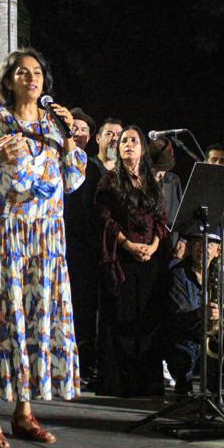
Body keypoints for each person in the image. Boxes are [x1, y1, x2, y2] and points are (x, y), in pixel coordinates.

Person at [0, 48, 85, 448]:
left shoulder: (54, 124)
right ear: (9, 80)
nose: (31, 78)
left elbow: (73, 181)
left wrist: (70, 140)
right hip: (5, 237)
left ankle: (24, 412)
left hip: (45, 240)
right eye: (22, 72)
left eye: (37, 72)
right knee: (1, 319)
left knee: (36, 322)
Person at [95, 125, 171, 397]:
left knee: (148, 318)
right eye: (124, 141)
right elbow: (104, 219)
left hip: (150, 259)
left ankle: (147, 383)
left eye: (134, 141)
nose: (128, 144)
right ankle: (121, 383)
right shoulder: (109, 181)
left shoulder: (151, 181)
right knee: (122, 317)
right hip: (122, 258)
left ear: (142, 148)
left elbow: (161, 219)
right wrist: (128, 244)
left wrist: (153, 246)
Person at [161, 229, 224, 395]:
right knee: (180, 356)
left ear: (219, 250)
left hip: (220, 333)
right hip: (190, 335)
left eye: (208, 245)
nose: (202, 249)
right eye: (197, 243)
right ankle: (184, 385)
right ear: (189, 247)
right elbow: (177, 317)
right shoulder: (178, 273)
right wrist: (199, 313)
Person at [64, 107, 102, 386]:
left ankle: (84, 365)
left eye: (83, 129)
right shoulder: (54, 158)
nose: (78, 133)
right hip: (58, 243)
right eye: (74, 127)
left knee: (85, 308)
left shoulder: (95, 168)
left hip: (86, 248)